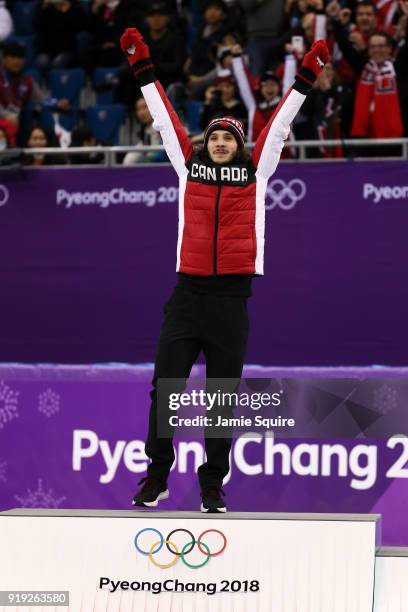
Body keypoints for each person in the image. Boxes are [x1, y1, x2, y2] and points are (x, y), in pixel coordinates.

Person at [120, 26, 330, 512]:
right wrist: (142, 67)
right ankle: (157, 475)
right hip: (187, 297)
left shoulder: (257, 174)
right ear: (204, 144)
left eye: (227, 138)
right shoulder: (188, 169)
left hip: (231, 302)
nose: (218, 143)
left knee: (220, 400)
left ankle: (212, 484)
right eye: (212, 137)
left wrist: (308, 76)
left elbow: (276, 125)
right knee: (165, 390)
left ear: (239, 146)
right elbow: (167, 120)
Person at [0, 42, 70, 146]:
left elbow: (42, 99)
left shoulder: (27, 81)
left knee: (31, 119)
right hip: (2, 119)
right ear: (5, 59)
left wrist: (57, 103)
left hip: (16, 121)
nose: (16, 61)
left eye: (20, 58)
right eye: (13, 57)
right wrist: (6, 116)